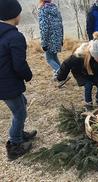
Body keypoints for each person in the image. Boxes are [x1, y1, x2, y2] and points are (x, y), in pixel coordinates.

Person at [0, 0, 37, 160]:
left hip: (4, 81)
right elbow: (19, 64)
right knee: (20, 112)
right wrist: (28, 75)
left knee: (22, 103)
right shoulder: (15, 37)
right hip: (7, 83)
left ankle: (20, 133)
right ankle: (14, 145)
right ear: (15, 15)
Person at [57, 32, 98, 109]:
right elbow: (66, 64)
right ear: (92, 54)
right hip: (81, 73)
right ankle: (89, 104)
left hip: (95, 74)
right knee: (88, 86)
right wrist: (61, 76)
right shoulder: (80, 56)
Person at [38, 0, 63, 80]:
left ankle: (62, 74)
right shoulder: (56, 9)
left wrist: (44, 43)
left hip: (49, 39)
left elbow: (44, 28)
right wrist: (61, 38)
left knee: (49, 59)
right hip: (57, 37)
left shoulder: (43, 10)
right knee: (54, 57)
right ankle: (60, 75)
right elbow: (61, 25)